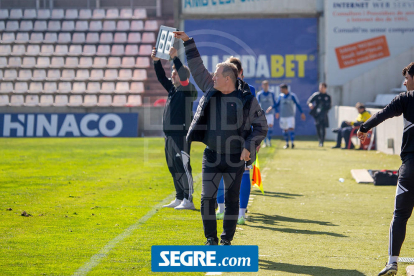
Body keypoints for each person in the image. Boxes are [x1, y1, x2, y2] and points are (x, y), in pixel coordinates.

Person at [174, 31, 268, 245]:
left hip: (236, 157)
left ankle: (226, 240)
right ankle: (211, 239)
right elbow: (197, 68)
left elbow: (261, 126)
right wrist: (189, 42)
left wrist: (249, 146)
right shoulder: (211, 89)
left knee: (232, 200)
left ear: (228, 79)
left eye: (216, 75)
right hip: (212, 155)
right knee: (207, 197)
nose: (212, 77)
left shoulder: (246, 98)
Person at [357, 62, 414, 276]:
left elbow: (383, 113)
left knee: (400, 215)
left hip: (410, 168)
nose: (404, 81)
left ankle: (392, 263)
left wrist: (363, 128)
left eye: (407, 78)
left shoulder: (406, 99)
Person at [151, 46, 198, 210]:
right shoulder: (173, 89)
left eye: (175, 72)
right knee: (173, 167)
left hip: (181, 135)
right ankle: (179, 197)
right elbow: (161, 77)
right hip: (169, 135)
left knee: (184, 166)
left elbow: (183, 76)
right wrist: (156, 61)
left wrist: (175, 59)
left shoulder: (188, 90)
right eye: (173, 72)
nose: (173, 74)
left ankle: (189, 199)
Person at [215, 56, 258, 226]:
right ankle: (240, 214)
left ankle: (221, 209)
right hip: (244, 137)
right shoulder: (250, 89)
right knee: (244, 173)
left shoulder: (221, 88)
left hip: (227, 137)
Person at [267, 84, 306, 149]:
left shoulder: (292, 96)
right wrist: (271, 107)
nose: (280, 90)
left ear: (285, 89)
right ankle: (287, 143)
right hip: (283, 116)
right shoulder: (281, 96)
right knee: (285, 130)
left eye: (281, 89)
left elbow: (297, 104)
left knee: (291, 128)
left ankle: (292, 143)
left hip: (290, 116)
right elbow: (277, 104)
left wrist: (302, 113)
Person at [307, 82, 331, 147]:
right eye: (320, 87)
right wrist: (310, 104)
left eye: (322, 87)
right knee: (318, 127)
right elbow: (309, 101)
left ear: (325, 88)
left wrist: (324, 108)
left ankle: (322, 141)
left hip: (324, 114)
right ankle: (319, 140)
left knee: (323, 128)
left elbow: (329, 106)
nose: (321, 88)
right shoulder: (316, 95)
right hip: (317, 114)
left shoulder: (327, 97)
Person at [257, 80, 277, 147]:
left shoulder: (272, 93)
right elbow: (256, 104)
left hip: (270, 113)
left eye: (267, 85)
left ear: (268, 86)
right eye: (264, 85)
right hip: (263, 114)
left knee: (270, 126)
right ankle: (265, 142)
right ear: (262, 86)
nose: (266, 86)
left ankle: (269, 141)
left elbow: (275, 103)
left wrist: (276, 111)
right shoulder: (259, 94)